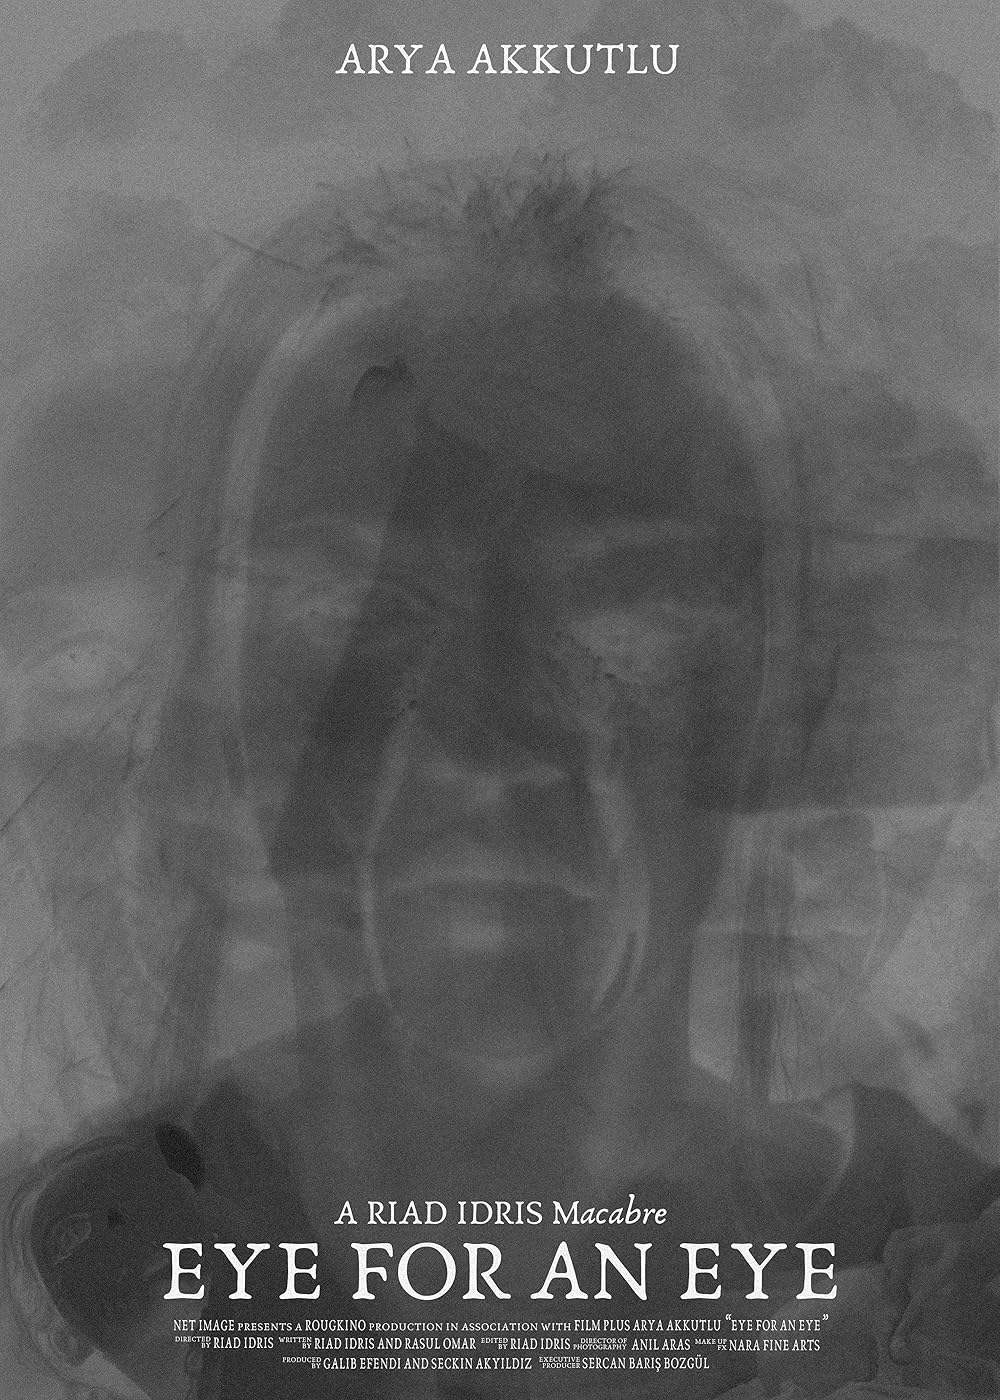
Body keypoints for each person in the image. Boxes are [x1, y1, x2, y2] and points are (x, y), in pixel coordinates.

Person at [7, 157, 998, 1398]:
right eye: (354, 609)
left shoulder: (935, 1257)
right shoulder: (65, 1285)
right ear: (220, 710)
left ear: (767, 703)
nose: (480, 746)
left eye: (619, 599)